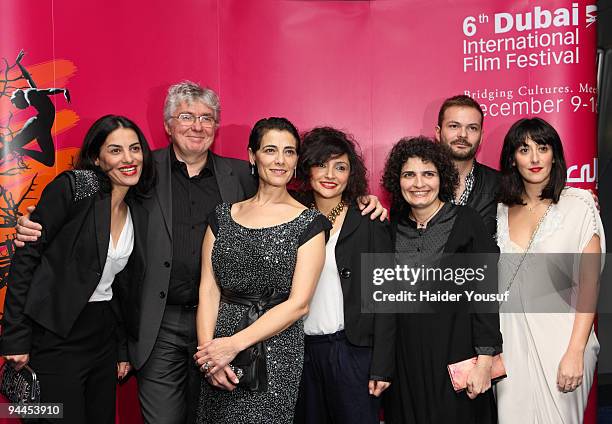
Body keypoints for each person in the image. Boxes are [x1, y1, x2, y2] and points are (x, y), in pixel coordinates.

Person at [13, 81, 386, 424]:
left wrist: (361, 201)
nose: (197, 125)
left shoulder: (240, 174)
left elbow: (288, 203)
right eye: (186, 117)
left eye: (206, 118)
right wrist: (35, 225)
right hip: (158, 324)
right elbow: (88, 198)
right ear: (168, 125)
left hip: (234, 327)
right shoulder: (141, 169)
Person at [0, 115, 155, 423]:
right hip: (55, 335)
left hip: (102, 337)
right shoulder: (74, 188)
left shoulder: (137, 207)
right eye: (116, 150)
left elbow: (122, 287)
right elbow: (26, 258)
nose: (128, 158)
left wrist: (122, 348)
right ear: (97, 158)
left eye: (135, 148)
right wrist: (15, 337)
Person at [192, 117, 330, 423]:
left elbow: (298, 304)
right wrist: (209, 357)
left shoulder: (310, 224)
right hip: (217, 345)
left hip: (276, 352)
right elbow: (208, 289)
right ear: (253, 156)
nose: (280, 160)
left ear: (296, 161)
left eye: (289, 152)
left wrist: (233, 345)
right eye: (270, 150)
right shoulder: (222, 216)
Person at [381, 136, 502, 424]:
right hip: (405, 364)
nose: (418, 183)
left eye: (428, 174)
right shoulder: (391, 227)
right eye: (409, 174)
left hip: (457, 358)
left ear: (442, 178)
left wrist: (485, 362)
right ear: (397, 181)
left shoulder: (467, 222)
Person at [495, 118, 604, 423]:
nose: (534, 158)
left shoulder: (579, 205)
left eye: (542, 148)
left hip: (563, 339)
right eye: (524, 149)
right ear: (512, 159)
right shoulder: (500, 209)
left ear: (554, 154)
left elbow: (589, 285)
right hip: (510, 341)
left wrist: (575, 351)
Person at [292, 127, 395, 424]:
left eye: (340, 167)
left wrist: (382, 367)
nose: (330, 174)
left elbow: (387, 300)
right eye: (321, 164)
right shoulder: (291, 218)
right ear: (306, 168)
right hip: (302, 355)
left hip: (353, 354)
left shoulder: (369, 221)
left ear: (352, 174)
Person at [434, 95, 499, 235]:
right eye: (454, 126)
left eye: (472, 128)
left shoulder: (500, 184)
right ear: (438, 133)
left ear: (481, 136)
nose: (463, 135)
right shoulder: (418, 185)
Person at [1, 50, 71, 167]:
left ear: (19, 97)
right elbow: (28, 78)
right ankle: (17, 148)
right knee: (11, 146)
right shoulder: (32, 94)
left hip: (41, 127)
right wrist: (19, 64)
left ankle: (20, 149)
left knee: (49, 161)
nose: (18, 107)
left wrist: (63, 91)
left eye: (16, 104)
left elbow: (48, 91)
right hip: (39, 126)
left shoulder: (30, 94)